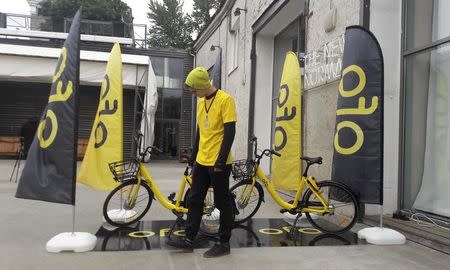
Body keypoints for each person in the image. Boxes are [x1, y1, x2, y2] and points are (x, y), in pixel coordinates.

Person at [166, 67, 236, 257]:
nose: (192, 93)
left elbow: (230, 133)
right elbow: (200, 132)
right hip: (202, 161)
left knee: (222, 203)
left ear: (203, 86)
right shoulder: (200, 102)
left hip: (219, 163)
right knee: (194, 199)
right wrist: (193, 157)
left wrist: (221, 161)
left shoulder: (225, 100)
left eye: (194, 89)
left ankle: (224, 243)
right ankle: (189, 238)